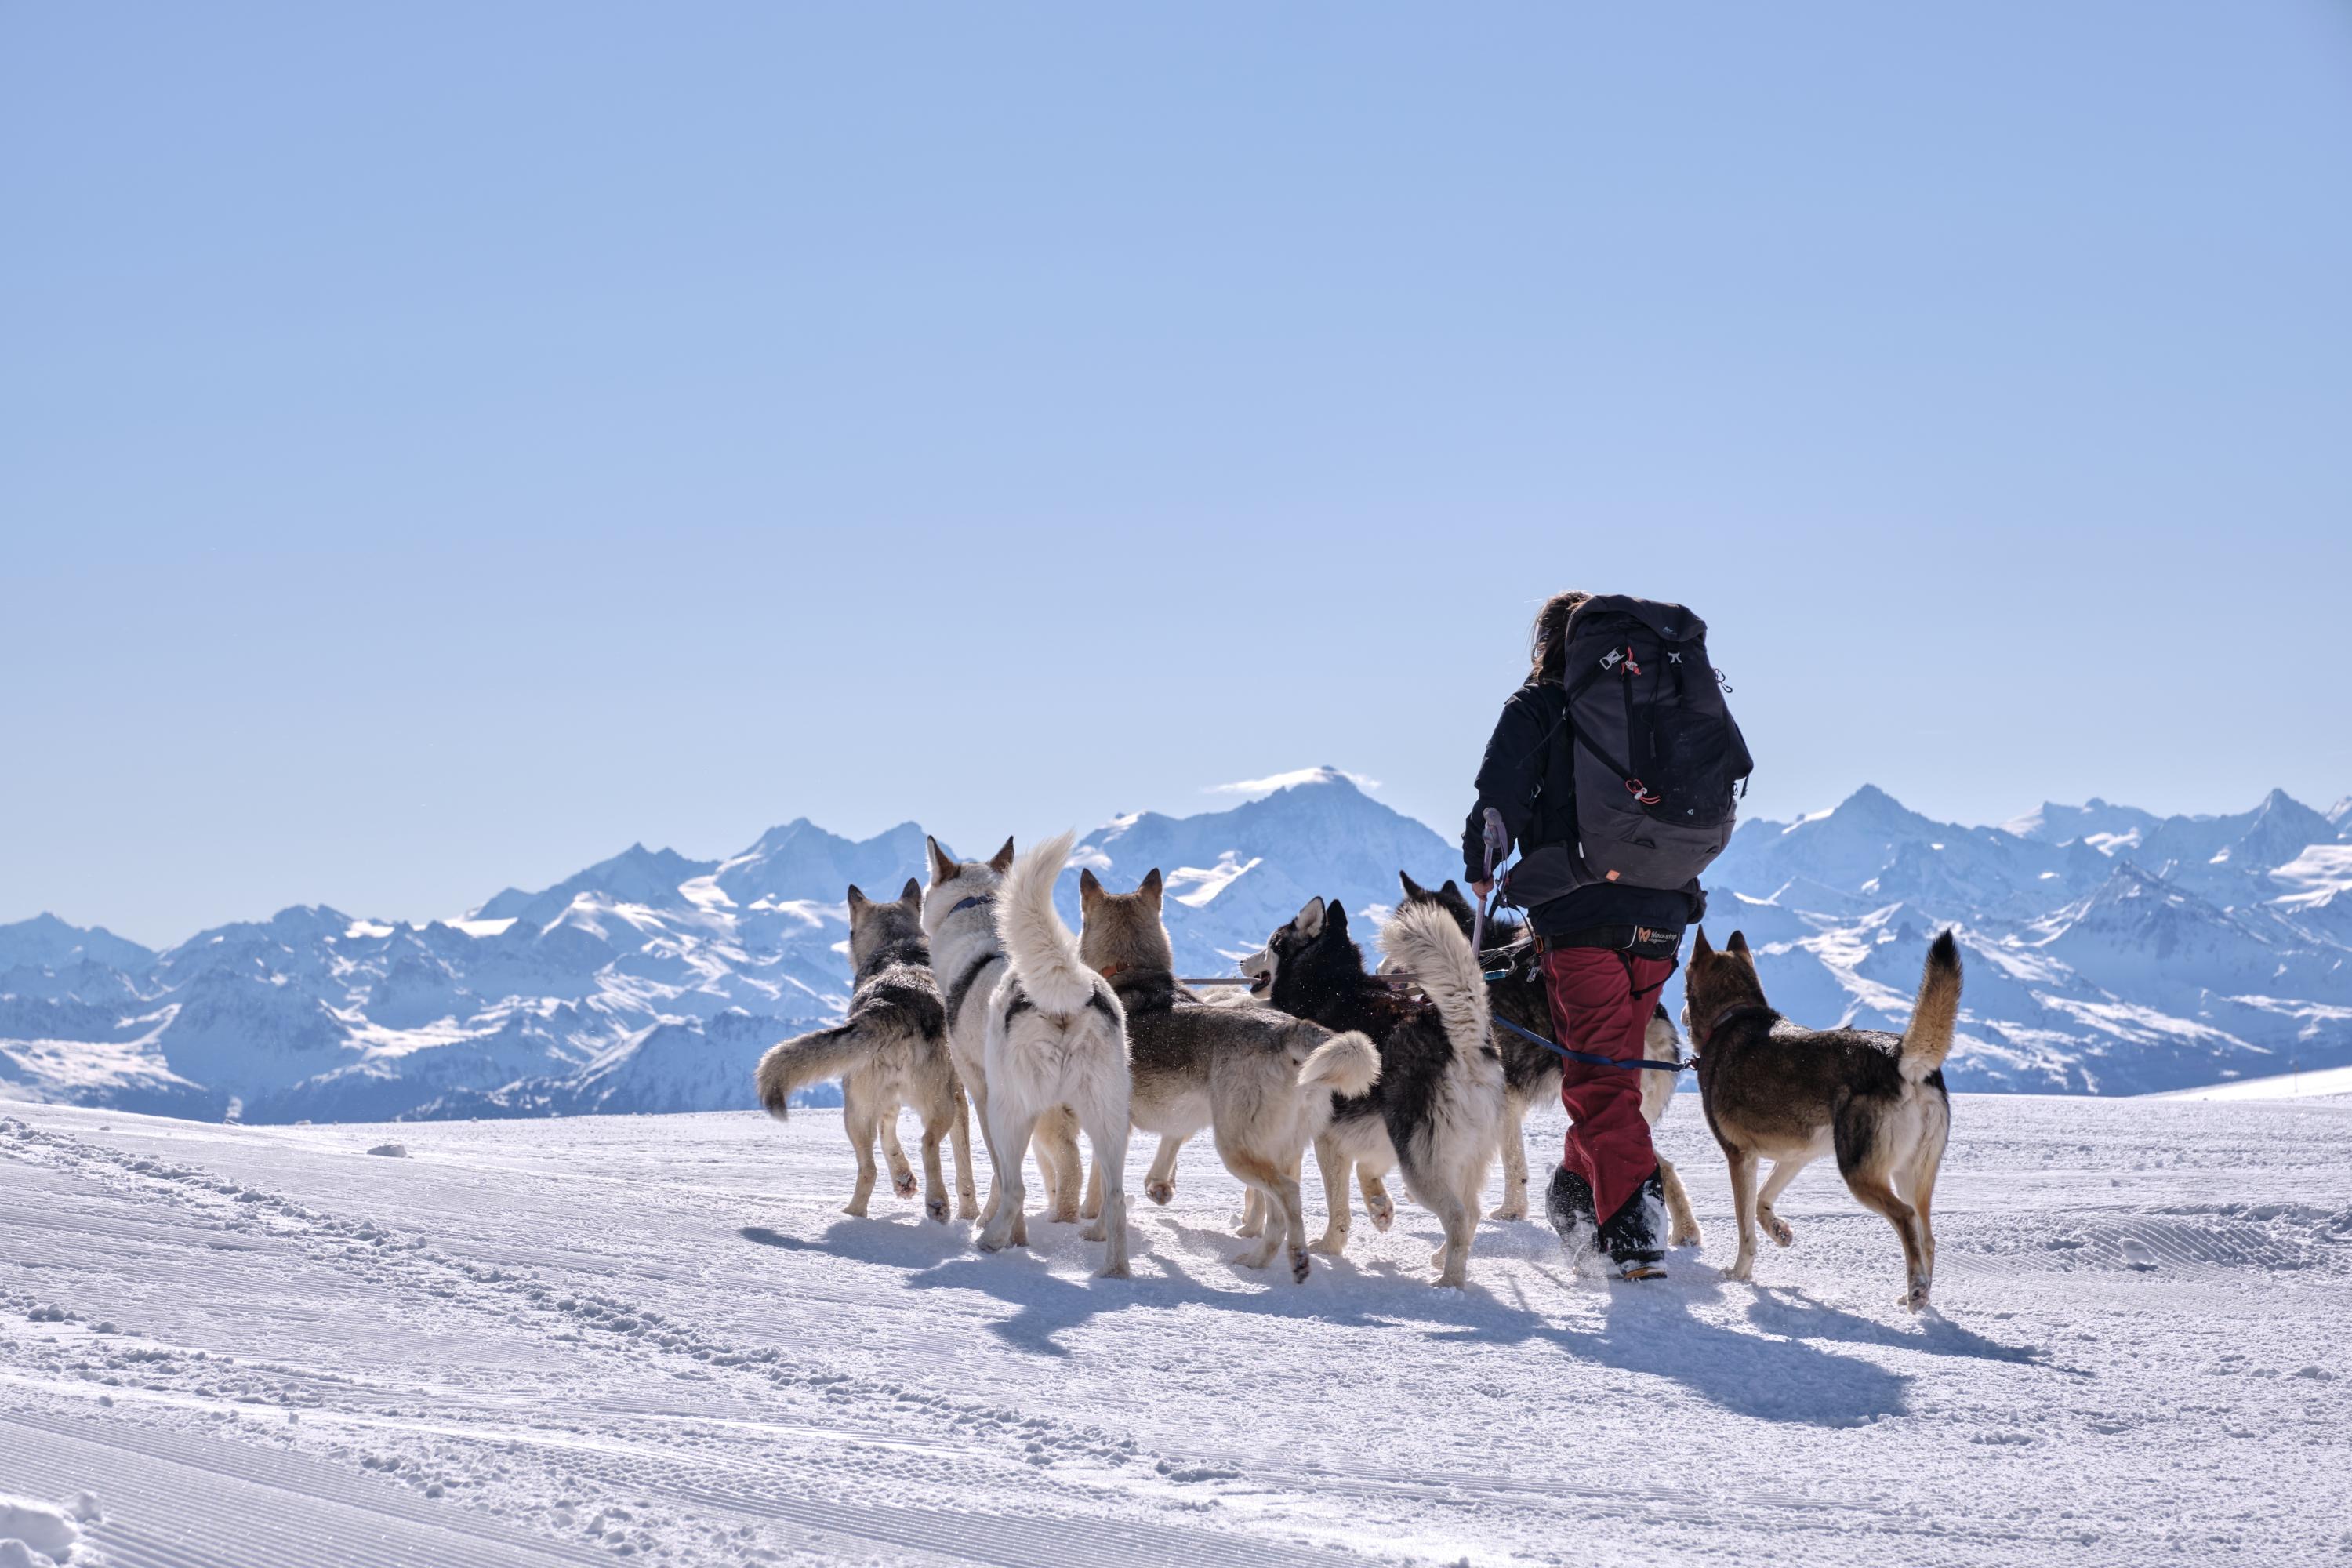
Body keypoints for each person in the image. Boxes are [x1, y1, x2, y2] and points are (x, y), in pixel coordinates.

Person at [1461, 590, 1704, 1280]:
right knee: (1610, 1070)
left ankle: (1633, 1241)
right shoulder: (1658, 703)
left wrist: (1482, 872)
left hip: (1582, 915)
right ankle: (1576, 1199)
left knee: (1599, 1082)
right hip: (1663, 918)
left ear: (1545, 644)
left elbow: (1493, 809)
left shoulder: (1538, 706)